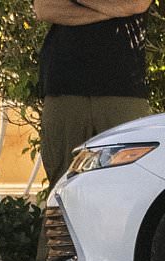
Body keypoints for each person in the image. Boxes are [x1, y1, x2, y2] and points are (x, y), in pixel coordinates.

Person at [35, 0, 153, 188]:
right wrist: (113, 10)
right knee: (63, 187)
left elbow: (135, 4)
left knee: (131, 183)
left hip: (124, 86)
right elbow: (44, 8)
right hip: (64, 85)